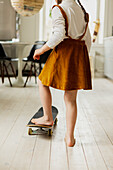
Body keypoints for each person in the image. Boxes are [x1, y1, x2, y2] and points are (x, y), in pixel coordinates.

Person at [31, 0, 92, 147]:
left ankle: (47, 117)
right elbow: (88, 39)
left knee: (42, 82)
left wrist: (41, 50)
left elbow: (58, 35)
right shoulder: (80, 9)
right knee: (71, 98)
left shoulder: (59, 8)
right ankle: (69, 138)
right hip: (79, 53)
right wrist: (81, 59)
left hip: (64, 53)